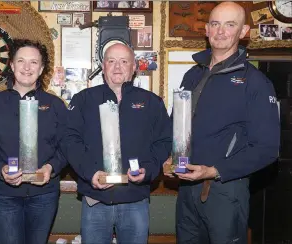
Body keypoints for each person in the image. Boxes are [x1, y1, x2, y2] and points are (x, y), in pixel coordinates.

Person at [163, 2, 279, 243]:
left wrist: (214, 171)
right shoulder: (192, 75)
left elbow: (267, 149)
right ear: (206, 29)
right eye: (215, 24)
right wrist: (170, 157)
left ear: (243, 32)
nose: (221, 31)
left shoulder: (255, 82)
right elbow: (178, 126)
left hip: (224, 190)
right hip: (187, 188)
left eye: (230, 25)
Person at [62, 43, 172, 244]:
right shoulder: (84, 99)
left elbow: (164, 142)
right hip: (95, 199)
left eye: (124, 61)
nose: (117, 67)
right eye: (111, 61)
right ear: (103, 67)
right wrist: (90, 172)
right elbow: (70, 140)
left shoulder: (152, 102)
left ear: (134, 67)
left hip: (135, 199)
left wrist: (148, 170)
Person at [0, 39, 68, 244]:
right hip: (4, 195)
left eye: (33, 62)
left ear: (41, 69)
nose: (27, 67)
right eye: (21, 61)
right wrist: (0, 169)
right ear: (12, 65)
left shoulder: (55, 105)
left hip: (44, 194)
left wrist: (51, 167)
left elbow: (67, 146)